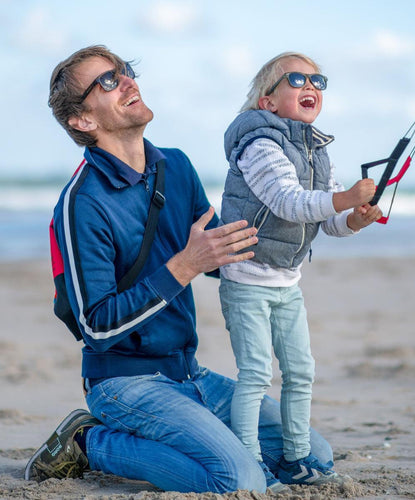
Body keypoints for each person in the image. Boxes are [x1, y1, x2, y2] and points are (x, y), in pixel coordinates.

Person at [24, 45, 339, 495]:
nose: (128, 82)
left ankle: (188, 435)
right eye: (108, 82)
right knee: (239, 480)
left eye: (126, 72)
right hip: (122, 382)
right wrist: (183, 266)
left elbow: (219, 252)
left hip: (189, 373)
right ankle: (89, 441)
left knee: (311, 457)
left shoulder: (175, 166)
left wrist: (323, 216)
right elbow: (96, 326)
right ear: (83, 120)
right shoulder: (83, 202)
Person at [218, 52, 382, 490]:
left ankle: (296, 456)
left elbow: (324, 220)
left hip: (288, 283)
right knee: (254, 373)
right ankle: (251, 462)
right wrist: (345, 198)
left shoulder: (315, 149)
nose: (311, 86)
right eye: (296, 79)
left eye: (318, 80)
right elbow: (288, 202)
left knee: (301, 370)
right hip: (248, 279)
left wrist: (353, 218)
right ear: (268, 102)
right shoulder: (259, 145)